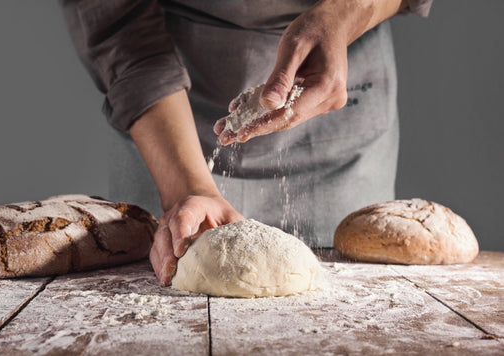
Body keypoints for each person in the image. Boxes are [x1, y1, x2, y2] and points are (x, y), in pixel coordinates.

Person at [60, 0, 432, 285]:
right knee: (171, 280)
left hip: (338, 97)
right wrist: (185, 187)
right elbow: (117, 22)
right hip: (166, 115)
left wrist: (347, 13)